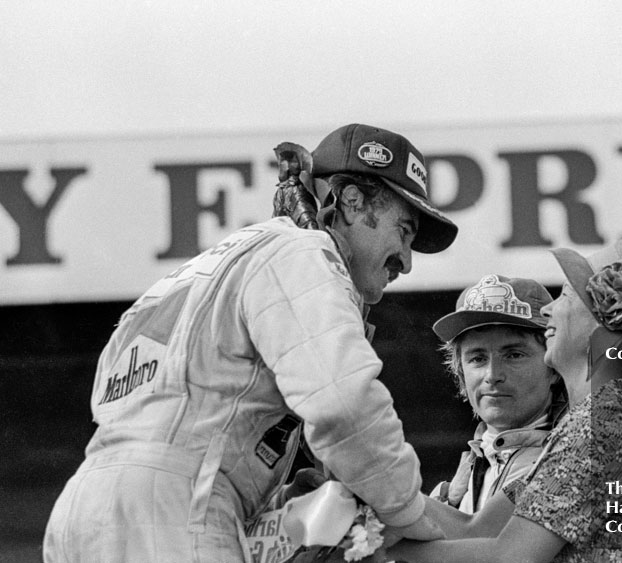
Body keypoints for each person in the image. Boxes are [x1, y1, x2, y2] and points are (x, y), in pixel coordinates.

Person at [43, 123, 458, 562]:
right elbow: (344, 404)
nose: (407, 263)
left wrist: (274, 505)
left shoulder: (190, 275)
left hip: (80, 515)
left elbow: (183, 433)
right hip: (174, 512)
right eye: (405, 231)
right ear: (352, 202)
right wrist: (406, 511)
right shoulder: (303, 252)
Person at [387, 235, 622, 563]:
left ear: (602, 325)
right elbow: (476, 532)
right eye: (477, 357)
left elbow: (508, 557)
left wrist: (378, 541)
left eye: (565, 295)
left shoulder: (600, 427)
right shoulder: (594, 420)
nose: (549, 310)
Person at [428, 274, 567, 514]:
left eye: (514, 355)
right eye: (478, 358)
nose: (492, 374)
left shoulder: (572, 461)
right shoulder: (458, 483)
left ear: (554, 367)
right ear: (460, 372)